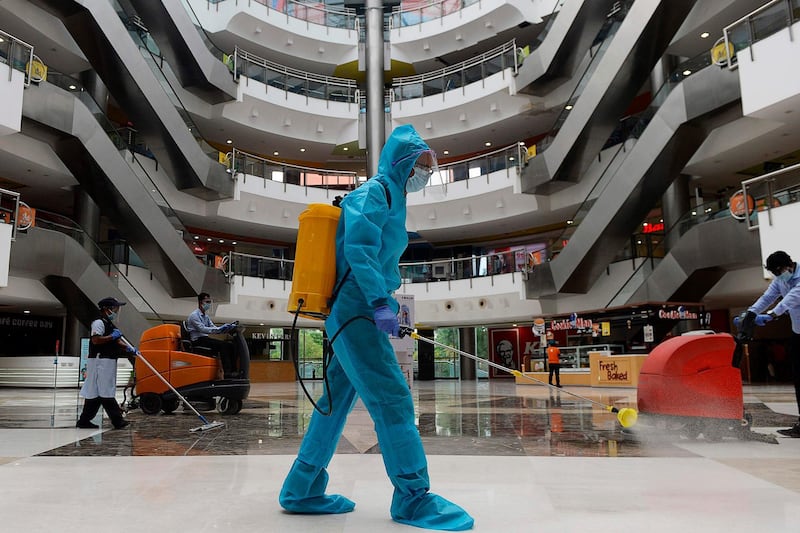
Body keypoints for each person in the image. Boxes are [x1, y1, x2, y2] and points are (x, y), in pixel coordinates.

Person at [279, 125, 473, 531]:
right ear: (402, 162)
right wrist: (380, 303)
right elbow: (360, 252)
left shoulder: (393, 198)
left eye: (428, 166)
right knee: (393, 399)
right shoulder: (375, 193)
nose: (425, 173)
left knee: (334, 404)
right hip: (356, 309)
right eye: (420, 165)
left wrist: (383, 302)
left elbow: (377, 258)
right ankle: (412, 499)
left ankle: (302, 488)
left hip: (359, 309)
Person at [746, 250, 800, 437]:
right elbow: (768, 297)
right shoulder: (781, 280)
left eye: (778, 272)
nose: (777, 276)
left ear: (789, 265)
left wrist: (770, 316)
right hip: (797, 334)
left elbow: (790, 300)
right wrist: (751, 313)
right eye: (774, 274)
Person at [76, 297, 135, 429]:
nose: (117, 311)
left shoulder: (108, 323)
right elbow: (96, 340)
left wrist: (130, 348)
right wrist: (111, 337)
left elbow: (117, 341)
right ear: (107, 309)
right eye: (115, 308)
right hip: (100, 360)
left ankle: (84, 421)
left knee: (96, 392)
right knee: (105, 391)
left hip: (107, 360)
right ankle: (117, 421)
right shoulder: (98, 323)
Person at [186, 292, 237, 377]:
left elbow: (213, 327)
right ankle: (228, 373)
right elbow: (202, 329)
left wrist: (225, 329)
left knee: (230, 345)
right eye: (207, 302)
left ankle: (234, 370)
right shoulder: (194, 316)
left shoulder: (206, 316)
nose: (209, 304)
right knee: (223, 346)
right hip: (198, 340)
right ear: (200, 302)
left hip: (205, 339)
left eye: (210, 302)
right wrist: (219, 329)